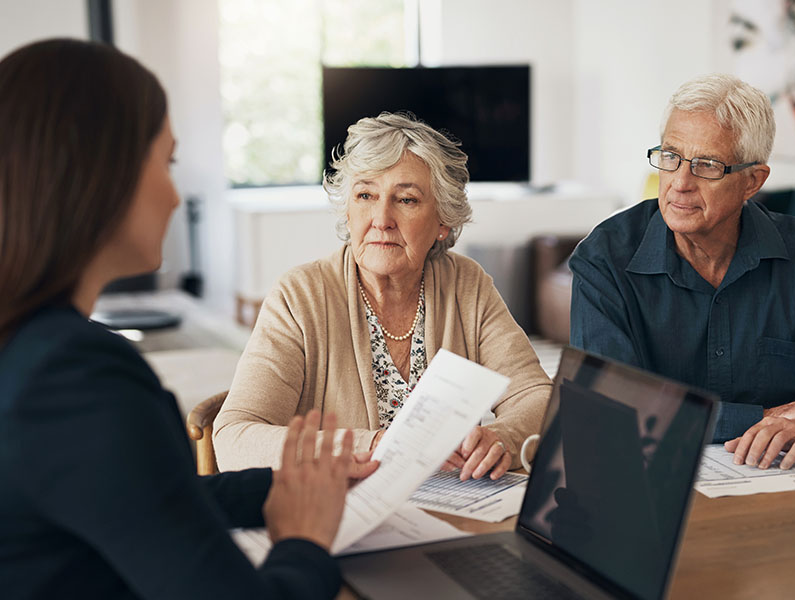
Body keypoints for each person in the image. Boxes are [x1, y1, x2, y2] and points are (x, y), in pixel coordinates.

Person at [0, 38, 376, 599]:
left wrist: (294, 483)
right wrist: (304, 540)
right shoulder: (75, 375)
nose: (176, 197)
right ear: (101, 174)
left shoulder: (31, 353)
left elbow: (143, 500)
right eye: (167, 162)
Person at [214, 112, 552, 480]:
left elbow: (537, 395)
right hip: (339, 506)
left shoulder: (466, 285)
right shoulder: (298, 298)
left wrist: (502, 438)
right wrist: (373, 447)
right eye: (365, 195)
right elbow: (234, 439)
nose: (381, 219)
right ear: (348, 210)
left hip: (450, 502)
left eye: (406, 200)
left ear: (443, 221)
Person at [569, 74, 795, 470]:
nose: (680, 183)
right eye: (670, 157)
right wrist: (767, 417)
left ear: (752, 181)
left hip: (781, 481)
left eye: (707, 165)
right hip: (645, 481)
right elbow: (608, 404)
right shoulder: (603, 259)